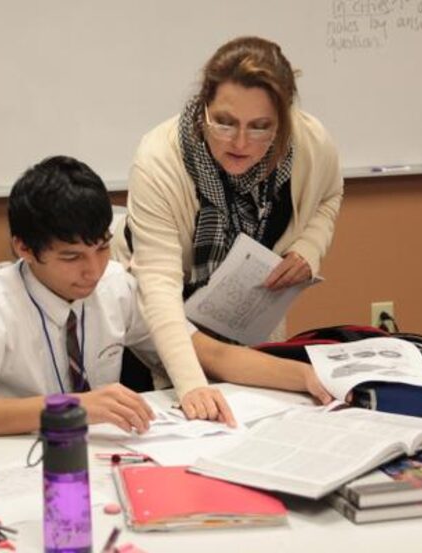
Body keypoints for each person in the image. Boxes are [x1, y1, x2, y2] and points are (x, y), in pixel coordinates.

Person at [0, 156, 332, 437]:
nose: (92, 270)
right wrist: (73, 409)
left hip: (103, 456)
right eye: (72, 257)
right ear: (23, 248)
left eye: (102, 248)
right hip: (16, 464)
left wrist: (305, 377)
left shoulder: (114, 286)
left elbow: (209, 354)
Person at [111, 36, 344, 423]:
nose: (239, 142)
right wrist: (192, 385)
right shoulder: (159, 159)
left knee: (262, 417)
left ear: (284, 119)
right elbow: (158, 286)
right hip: (161, 312)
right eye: (224, 122)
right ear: (204, 105)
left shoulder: (311, 143)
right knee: (178, 419)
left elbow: (330, 195)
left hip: (245, 309)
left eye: (260, 127)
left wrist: (309, 246)